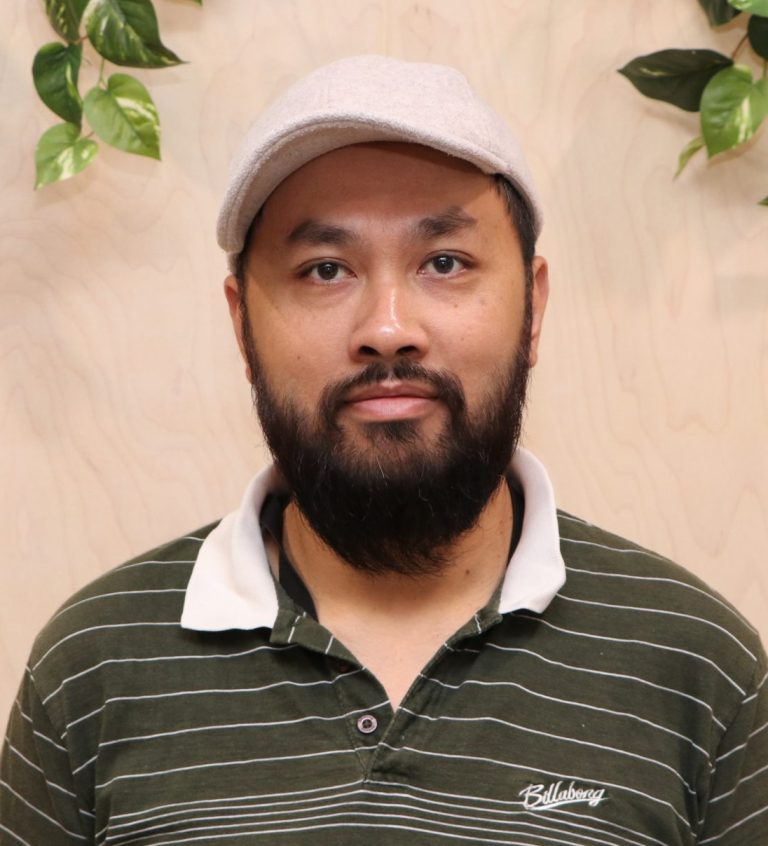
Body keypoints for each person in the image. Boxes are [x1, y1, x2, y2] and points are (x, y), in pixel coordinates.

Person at [1, 55, 766, 846]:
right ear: (242, 326)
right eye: (325, 269)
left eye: (445, 262)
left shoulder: (698, 670)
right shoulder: (91, 669)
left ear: (533, 308)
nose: (389, 326)